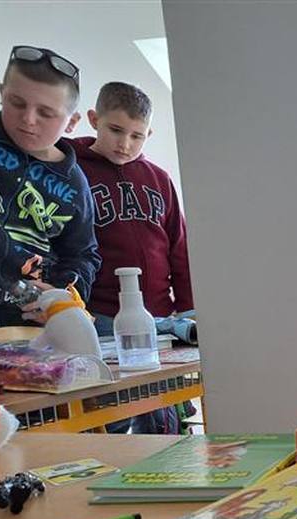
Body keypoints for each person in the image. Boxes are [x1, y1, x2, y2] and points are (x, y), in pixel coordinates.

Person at [71, 82, 193, 435]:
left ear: (148, 134)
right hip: (100, 315)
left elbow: (179, 248)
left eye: (137, 136)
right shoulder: (73, 170)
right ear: (94, 119)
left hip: (158, 318)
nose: (125, 143)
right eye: (116, 130)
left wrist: (187, 308)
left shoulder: (159, 179)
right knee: (115, 410)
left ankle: (171, 461)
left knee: (164, 411)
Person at [0, 45, 98, 328]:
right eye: (17, 103)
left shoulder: (76, 185)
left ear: (72, 122)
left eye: (46, 113)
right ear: (1, 93)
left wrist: (63, 294)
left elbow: (83, 255)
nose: (28, 119)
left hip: (21, 326)